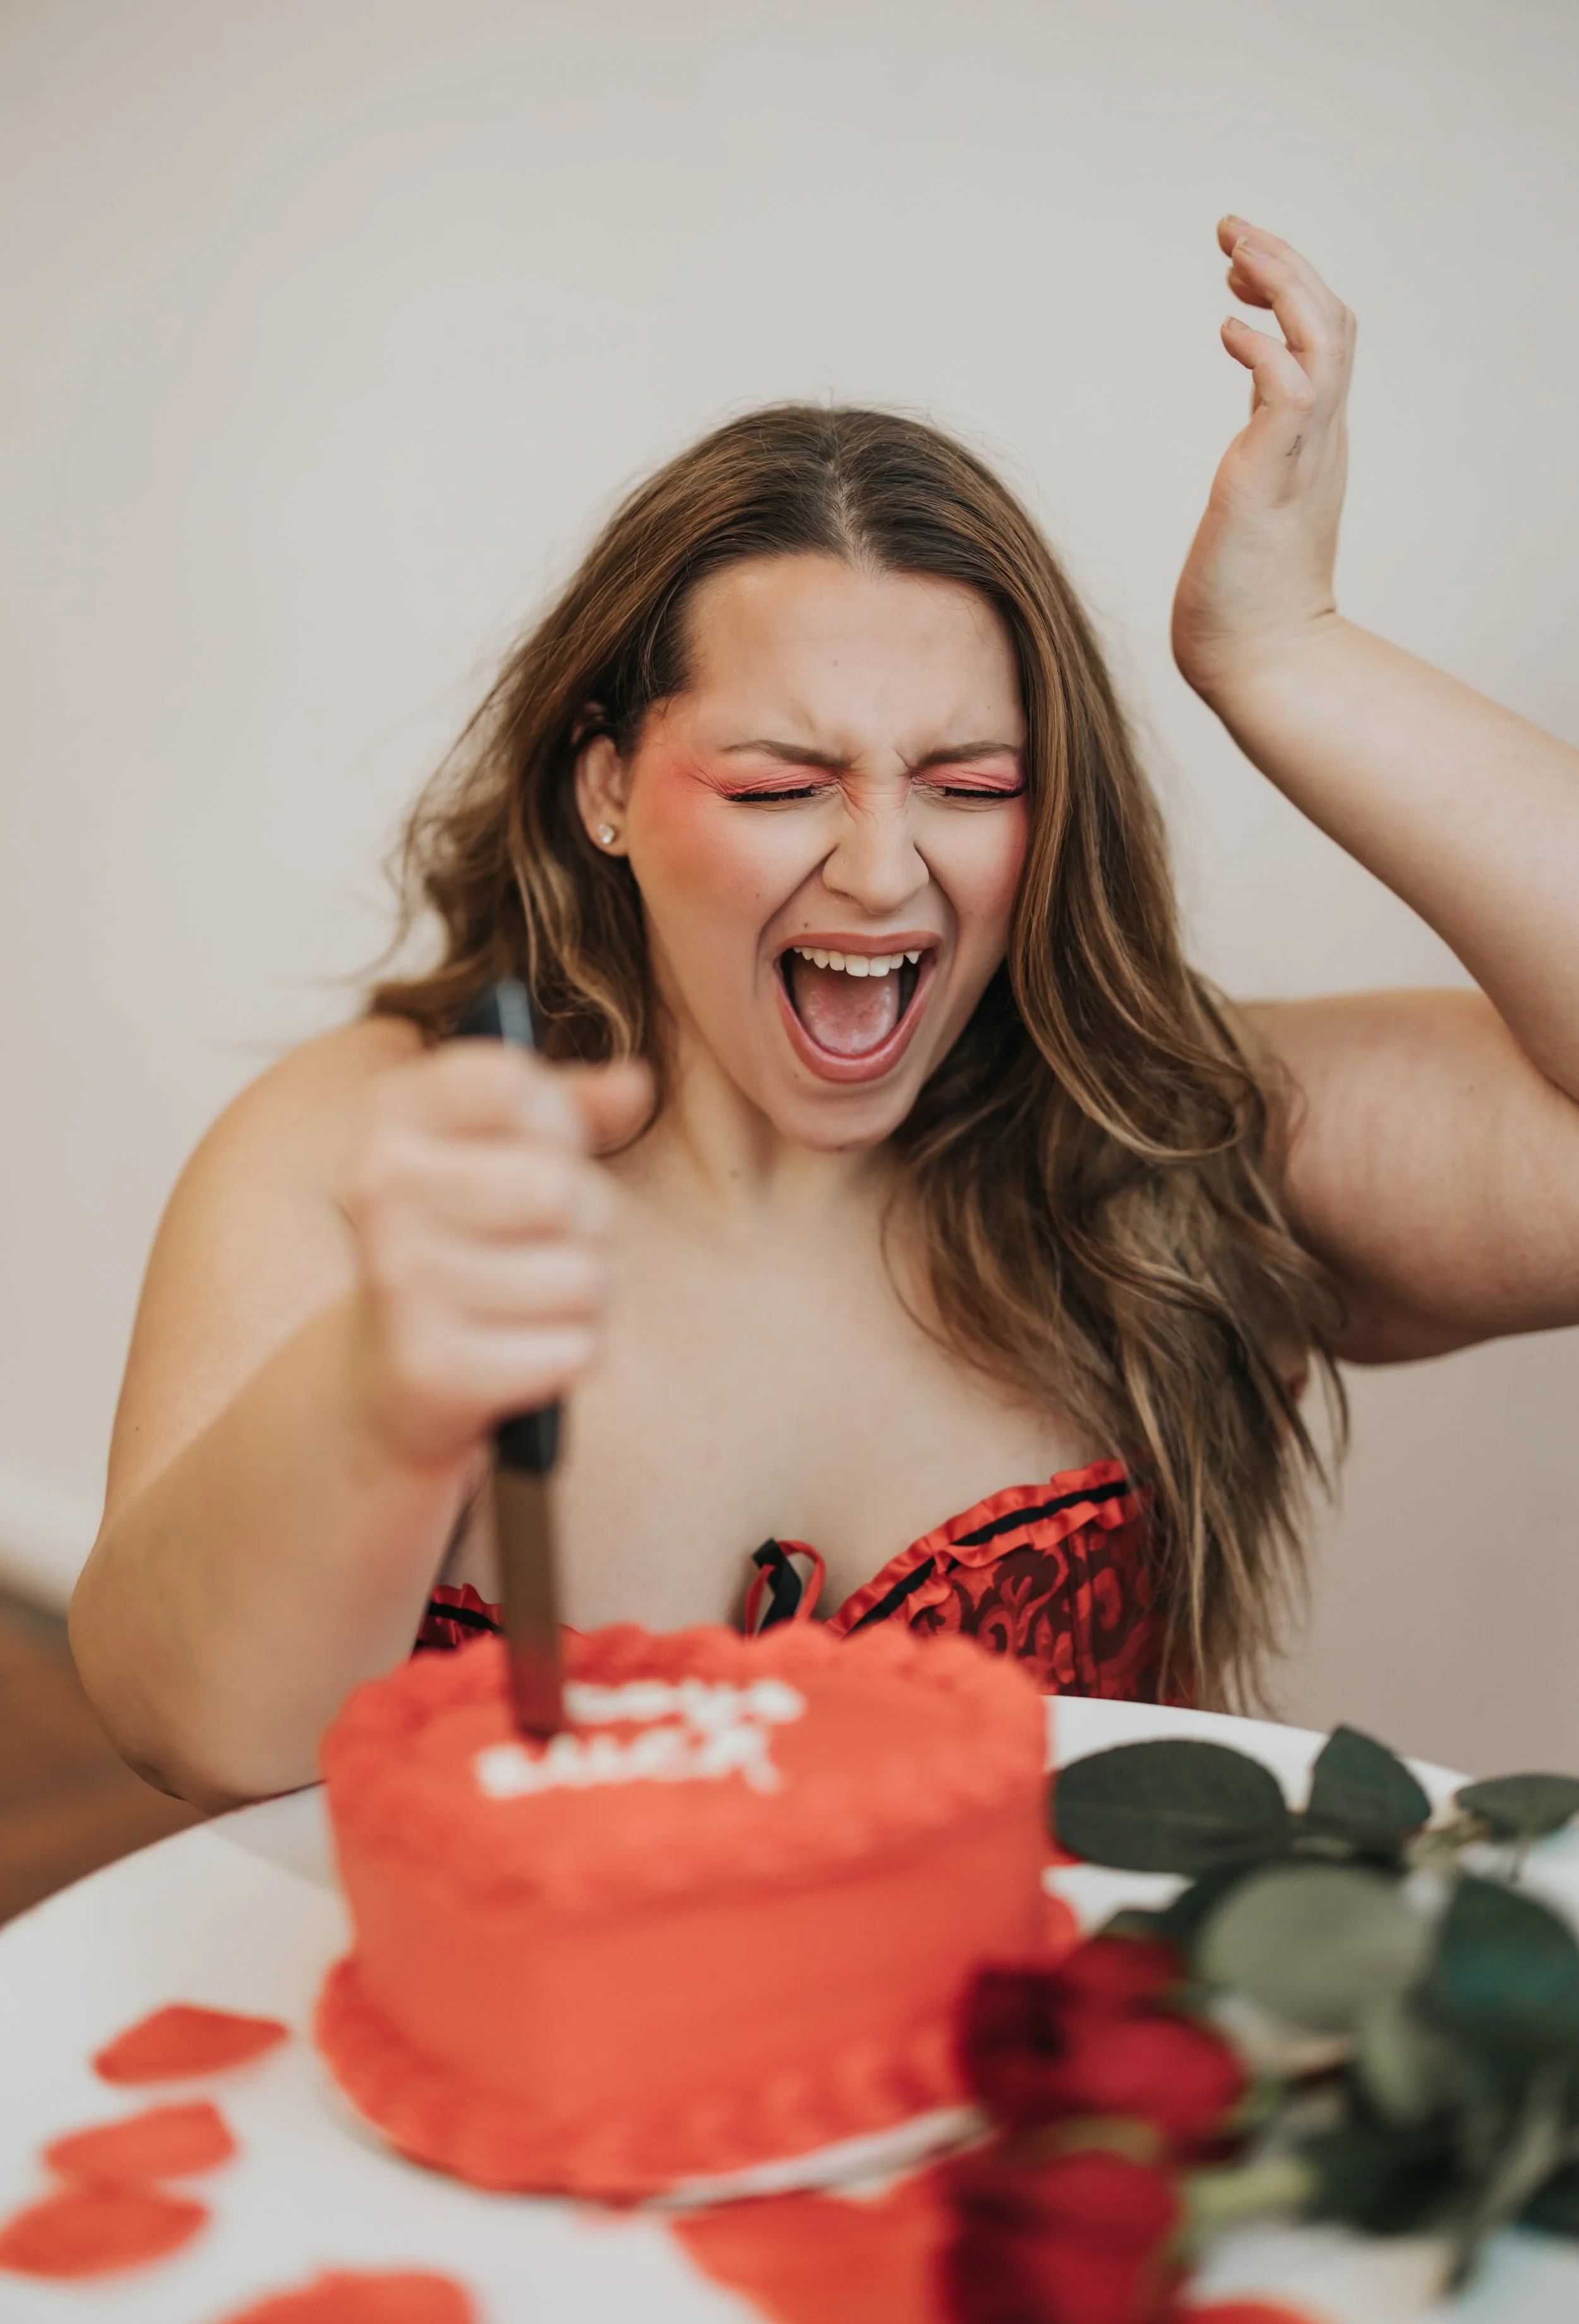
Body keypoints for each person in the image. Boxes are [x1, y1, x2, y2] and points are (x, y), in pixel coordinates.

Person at [71, 221, 1579, 1808]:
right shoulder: (380, 1148)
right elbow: (191, 1728)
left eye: (969, 784)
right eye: (781, 784)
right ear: (605, 790)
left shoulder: (1175, 1136)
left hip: (1047, 2055)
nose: (880, 870)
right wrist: (383, 1383)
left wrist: (1287, 654)